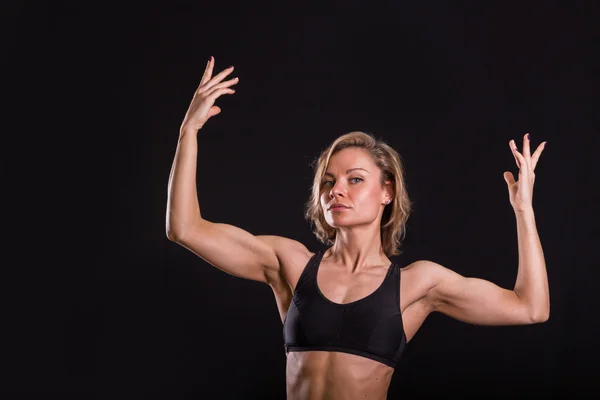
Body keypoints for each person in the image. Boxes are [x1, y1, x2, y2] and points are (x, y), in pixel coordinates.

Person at [166, 57, 550, 400]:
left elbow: (531, 308)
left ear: (387, 191)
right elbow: (184, 228)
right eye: (329, 181)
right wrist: (189, 133)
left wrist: (523, 211)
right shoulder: (290, 264)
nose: (337, 191)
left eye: (354, 180)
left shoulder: (416, 285)